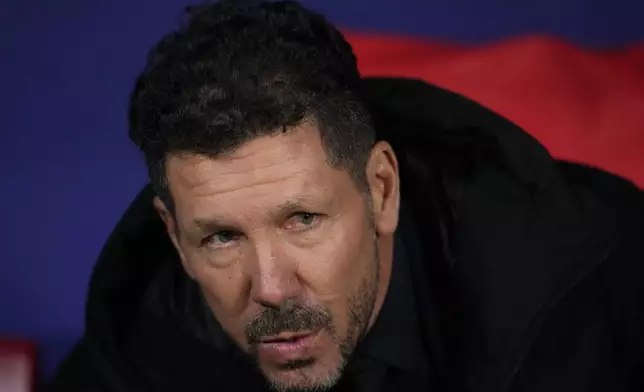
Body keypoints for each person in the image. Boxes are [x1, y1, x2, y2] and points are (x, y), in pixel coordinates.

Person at [49, 1, 644, 391]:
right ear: (176, 237)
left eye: (302, 219)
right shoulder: (143, 337)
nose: (272, 288)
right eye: (222, 237)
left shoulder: (588, 283)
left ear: (381, 190)